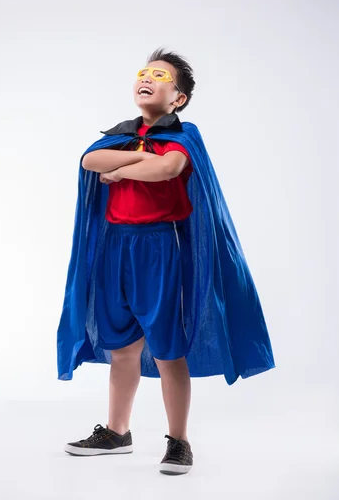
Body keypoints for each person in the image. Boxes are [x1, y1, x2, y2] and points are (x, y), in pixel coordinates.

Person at [57, 47, 275, 476]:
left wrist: (125, 169)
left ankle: (179, 440)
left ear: (178, 99)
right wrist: (139, 157)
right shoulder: (119, 133)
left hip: (160, 249)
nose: (147, 78)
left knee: (167, 350)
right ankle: (118, 433)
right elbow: (90, 160)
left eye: (159, 75)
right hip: (115, 248)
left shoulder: (185, 134)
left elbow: (168, 169)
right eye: (143, 72)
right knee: (121, 347)